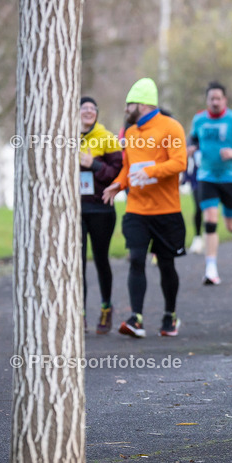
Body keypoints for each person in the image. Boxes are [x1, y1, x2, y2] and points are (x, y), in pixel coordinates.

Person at [102, 78, 187, 338]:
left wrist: (152, 170)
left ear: (142, 104)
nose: (125, 109)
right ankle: (135, 319)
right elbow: (128, 168)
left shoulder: (171, 127)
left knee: (166, 264)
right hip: (137, 210)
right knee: (136, 259)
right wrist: (118, 184)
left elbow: (179, 162)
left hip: (166, 210)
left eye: (129, 105)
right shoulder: (129, 133)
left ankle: (170, 315)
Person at [188, 81, 232, 285]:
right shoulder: (198, 120)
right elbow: (193, 140)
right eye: (211, 98)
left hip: (230, 177)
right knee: (210, 220)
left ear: (225, 100)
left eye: (218, 98)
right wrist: (191, 148)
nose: (215, 102)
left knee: (230, 221)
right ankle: (211, 268)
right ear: (207, 100)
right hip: (206, 176)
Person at [79, 96, 124, 334]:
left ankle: (106, 308)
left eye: (92, 108)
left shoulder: (107, 138)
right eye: (83, 108)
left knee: (100, 259)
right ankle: (80, 313)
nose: (88, 111)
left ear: (96, 113)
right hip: (73, 211)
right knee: (76, 264)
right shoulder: (64, 138)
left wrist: (93, 164)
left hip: (101, 209)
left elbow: (117, 173)